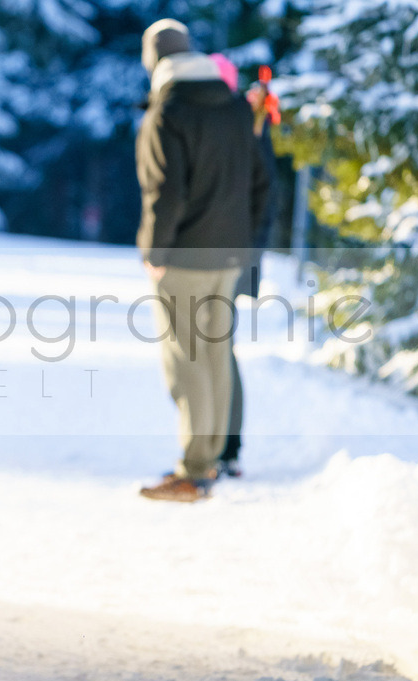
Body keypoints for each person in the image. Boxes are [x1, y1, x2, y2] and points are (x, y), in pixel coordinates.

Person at [135, 19, 270, 502]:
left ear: (154, 62)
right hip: (229, 253)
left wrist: (156, 251)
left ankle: (193, 471)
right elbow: (261, 182)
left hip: (185, 256)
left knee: (185, 358)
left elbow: (165, 192)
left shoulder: (167, 110)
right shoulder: (235, 108)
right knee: (214, 354)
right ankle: (210, 461)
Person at [209, 55, 281, 479]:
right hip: (231, 254)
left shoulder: (246, 127)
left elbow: (262, 197)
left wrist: (246, 259)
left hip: (230, 256)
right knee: (214, 347)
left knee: (216, 348)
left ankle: (224, 445)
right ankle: (221, 444)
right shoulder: (242, 125)